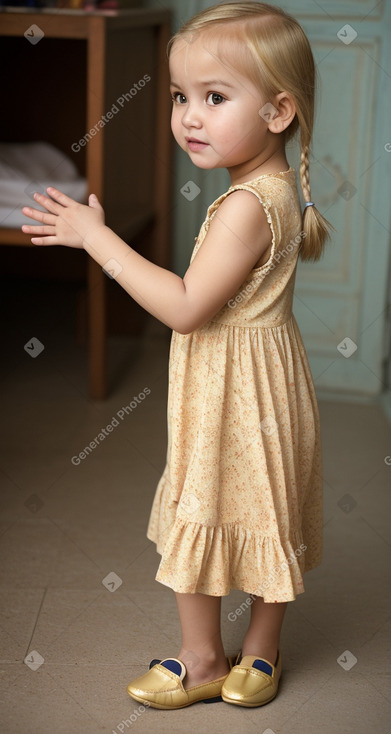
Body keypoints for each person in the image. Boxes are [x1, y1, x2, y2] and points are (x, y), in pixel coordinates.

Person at [21, 0, 334, 711]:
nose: (189, 116)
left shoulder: (246, 206)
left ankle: (205, 660)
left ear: (278, 111)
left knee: (209, 505)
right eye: (178, 97)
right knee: (264, 512)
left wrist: (96, 239)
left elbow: (187, 307)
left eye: (214, 98)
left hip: (236, 394)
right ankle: (257, 648)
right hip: (261, 384)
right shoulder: (272, 188)